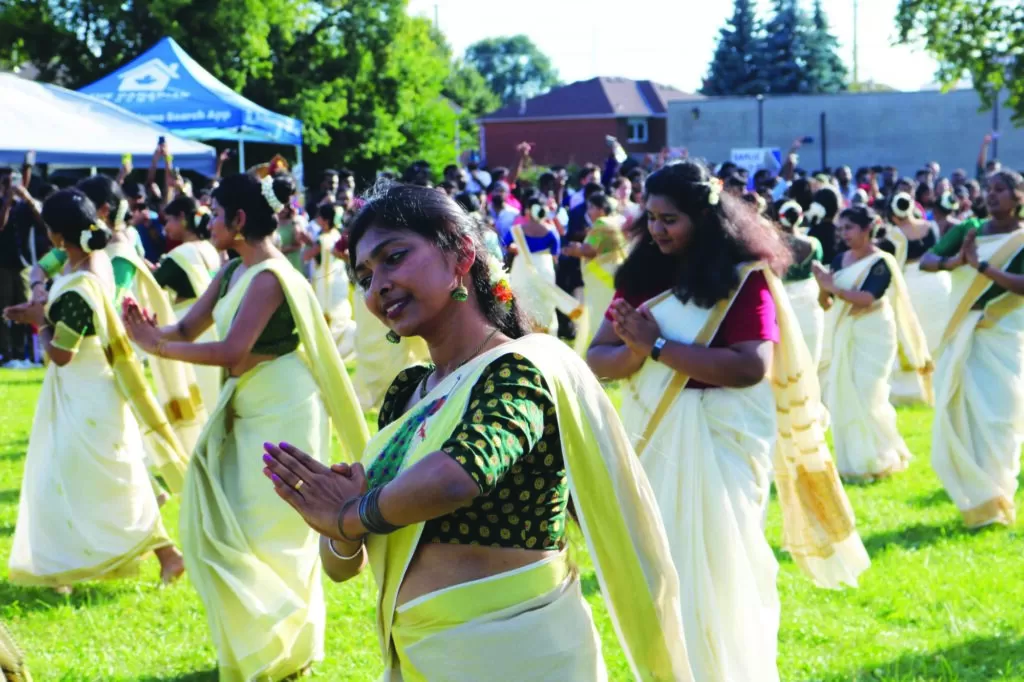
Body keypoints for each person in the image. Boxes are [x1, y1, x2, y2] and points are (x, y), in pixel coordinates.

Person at [260, 183, 692, 681]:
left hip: (517, 657)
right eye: (364, 275)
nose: (378, 285)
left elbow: (460, 475)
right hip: (422, 653)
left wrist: (353, 514)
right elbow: (343, 567)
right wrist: (339, 528)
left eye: (394, 258)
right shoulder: (408, 393)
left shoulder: (522, 370)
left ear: (461, 255)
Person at [587, 161, 869, 681]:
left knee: (723, 571)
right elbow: (598, 356)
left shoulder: (742, 280)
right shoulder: (643, 273)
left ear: (703, 216)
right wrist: (637, 353)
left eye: (669, 219)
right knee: (666, 575)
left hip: (724, 440)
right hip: (657, 436)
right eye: (649, 217)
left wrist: (659, 347)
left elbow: (748, 367)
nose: (655, 229)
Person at [121, 173, 369, 681]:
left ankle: (285, 651)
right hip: (246, 404)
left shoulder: (272, 278)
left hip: (283, 407)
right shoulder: (233, 270)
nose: (207, 222)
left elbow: (232, 350)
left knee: (274, 530)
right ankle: (258, 644)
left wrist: (158, 347)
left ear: (237, 221)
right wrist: (146, 331)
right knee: (228, 523)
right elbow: (188, 329)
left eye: (214, 214)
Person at [4, 189, 188, 592]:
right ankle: (64, 566)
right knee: (72, 475)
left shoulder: (82, 284)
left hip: (87, 390)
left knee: (97, 479)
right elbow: (45, 268)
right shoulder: (86, 258)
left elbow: (61, 353)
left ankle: (167, 554)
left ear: (55, 235)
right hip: (84, 390)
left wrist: (38, 320)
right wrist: (36, 294)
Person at [920, 169, 1024, 528]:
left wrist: (980, 265)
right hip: (960, 332)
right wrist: (955, 262)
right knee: (961, 413)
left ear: (1019, 197)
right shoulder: (969, 230)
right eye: (989, 189)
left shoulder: (1021, 240)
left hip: (1002, 334)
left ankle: (999, 496)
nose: (992, 195)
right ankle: (977, 501)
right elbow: (927, 260)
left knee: (999, 417)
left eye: (1001, 190)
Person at [814, 206, 931, 481]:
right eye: (841, 229)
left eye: (849, 228)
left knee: (869, 393)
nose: (844, 234)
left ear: (867, 229)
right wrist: (822, 288)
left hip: (875, 332)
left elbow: (868, 298)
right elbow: (827, 303)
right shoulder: (840, 258)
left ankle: (881, 456)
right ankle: (855, 464)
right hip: (846, 330)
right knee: (844, 393)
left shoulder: (881, 262)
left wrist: (833, 287)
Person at [158, 195, 224, 411]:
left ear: (182, 218)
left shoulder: (180, 254)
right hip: (213, 325)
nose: (166, 227)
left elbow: (155, 283)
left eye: (168, 220)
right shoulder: (209, 247)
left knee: (198, 394)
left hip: (190, 327)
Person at [887, 192, 950, 405]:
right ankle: (941, 382)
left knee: (914, 332)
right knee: (937, 334)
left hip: (911, 285)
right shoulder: (930, 226)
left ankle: (916, 390)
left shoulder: (894, 234)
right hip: (938, 283)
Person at [505, 193, 580, 334]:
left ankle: (521, 334)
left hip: (521, 269)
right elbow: (555, 255)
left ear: (528, 211)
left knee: (522, 302)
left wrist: (518, 248)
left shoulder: (516, 230)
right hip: (544, 268)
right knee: (545, 303)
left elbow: (507, 245)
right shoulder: (551, 232)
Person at [562, 192, 627, 354]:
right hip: (614, 273)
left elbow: (589, 250)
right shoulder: (618, 220)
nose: (588, 211)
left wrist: (573, 250)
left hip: (601, 277)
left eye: (591, 207)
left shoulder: (601, 223)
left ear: (601, 209)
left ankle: (601, 350)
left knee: (599, 313)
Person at [303, 203, 356, 359]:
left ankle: (330, 347)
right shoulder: (337, 235)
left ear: (325, 220)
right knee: (339, 312)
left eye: (319, 217)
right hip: (339, 279)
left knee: (326, 314)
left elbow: (306, 256)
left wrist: (308, 244)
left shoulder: (322, 240)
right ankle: (345, 343)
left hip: (324, 282)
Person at [778, 199, 826, 367]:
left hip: (782, 300)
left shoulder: (773, 243)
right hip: (809, 301)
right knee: (809, 358)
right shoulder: (814, 244)